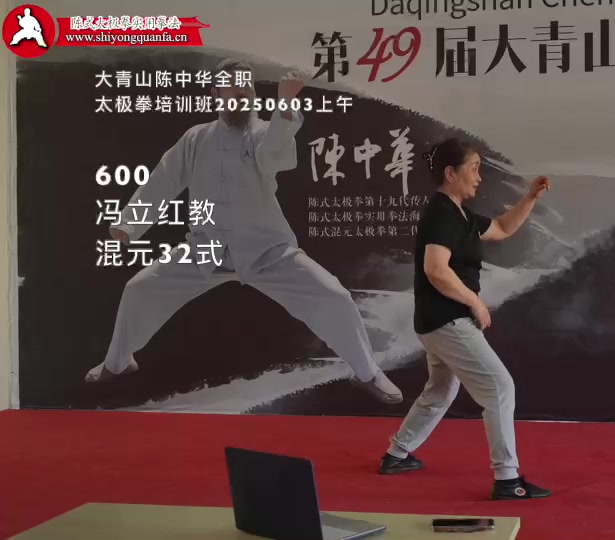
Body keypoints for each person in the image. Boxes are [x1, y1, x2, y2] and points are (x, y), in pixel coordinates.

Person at [84, 58, 403, 405]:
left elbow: (274, 156)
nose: (241, 92)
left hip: (267, 249)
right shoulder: (196, 138)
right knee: (139, 289)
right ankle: (117, 363)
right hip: (205, 248)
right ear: (216, 93)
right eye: (233, 86)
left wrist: (286, 101)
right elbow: (163, 180)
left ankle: (367, 372)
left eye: (246, 86)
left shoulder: (263, 132)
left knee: (334, 296)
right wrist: (129, 224)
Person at [377, 137, 552, 500]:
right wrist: (476, 303)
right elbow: (436, 270)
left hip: (438, 321)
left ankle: (396, 455)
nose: (479, 177)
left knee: (440, 390)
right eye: (474, 168)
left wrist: (530, 197)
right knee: (500, 388)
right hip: (448, 319)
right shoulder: (441, 213)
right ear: (450, 173)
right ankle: (507, 480)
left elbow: (502, 228)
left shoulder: (459, 215)